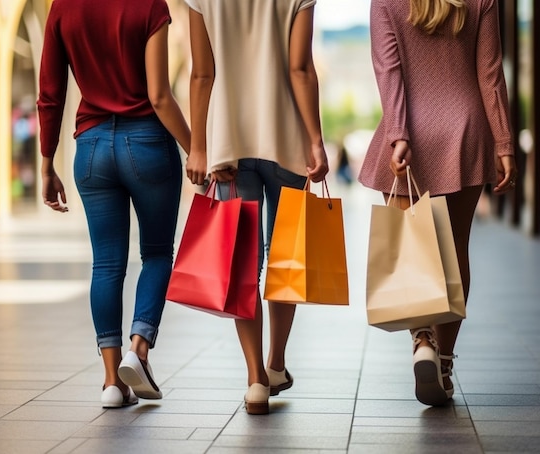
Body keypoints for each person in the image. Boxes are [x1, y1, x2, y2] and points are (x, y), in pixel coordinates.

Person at [358, 0, 517, 406]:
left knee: (411, 249)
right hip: (465, 130)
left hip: (411, 132)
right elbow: (490, 73)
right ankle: (444, 363)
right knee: (455, 250)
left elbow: (388, 72)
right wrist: (504, 142)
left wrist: (398, 134)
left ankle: (422, 339)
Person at [37, 0, 191, 408]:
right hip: (148, 144)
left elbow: (50, 93)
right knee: (157, 254)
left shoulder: (63, 7)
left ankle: (111, 382)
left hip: (90, 150)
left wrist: (46, 162)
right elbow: (159, 96)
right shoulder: (150, 5)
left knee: (106, 264)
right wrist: (197, 149)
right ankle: (137, 352)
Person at [185, 0, 329, 414]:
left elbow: (202, 74)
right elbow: (300, 70)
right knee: (285, 258)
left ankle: (255, 381)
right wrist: (316, 140)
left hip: (229, 142)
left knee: (242, 261)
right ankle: (277, 362)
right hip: (287, 141)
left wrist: (199, 146)